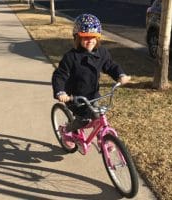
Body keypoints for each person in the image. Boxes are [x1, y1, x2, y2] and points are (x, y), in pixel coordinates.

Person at [51, 13, 131, 147]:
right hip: (75, 97)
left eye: (93, 37)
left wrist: (120, 75)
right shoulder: (71, 57)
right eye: (85, 37)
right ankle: (65, 131)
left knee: (99, 116)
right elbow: (60, 75)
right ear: (77, 38)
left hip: (93, 94)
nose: (90, 41)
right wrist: (60, 92)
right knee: (84, 120)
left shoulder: (102, 52)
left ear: (98, 37)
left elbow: (110, 66)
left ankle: (103, 138)